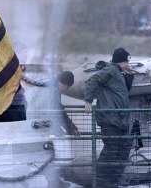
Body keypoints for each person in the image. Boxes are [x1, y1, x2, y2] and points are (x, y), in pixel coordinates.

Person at [84, 47, 135, 188]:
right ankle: (100, 182)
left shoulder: (119, 73)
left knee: (124, 148)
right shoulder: (110, 70)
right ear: (119, 61)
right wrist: (88, 100)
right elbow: (93, 80)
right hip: (110, 119)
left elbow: (125, 90)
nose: (127, 65)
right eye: (125, 62)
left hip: (121, 119)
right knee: (111, 150)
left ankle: (114, 180)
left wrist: (129, 75)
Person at [57, 71, 82, 137]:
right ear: (62, 83)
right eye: (66, 87)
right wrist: (71, 129)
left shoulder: (51, 86)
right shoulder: (53, 90)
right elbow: (59, 111)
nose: (65, 89)